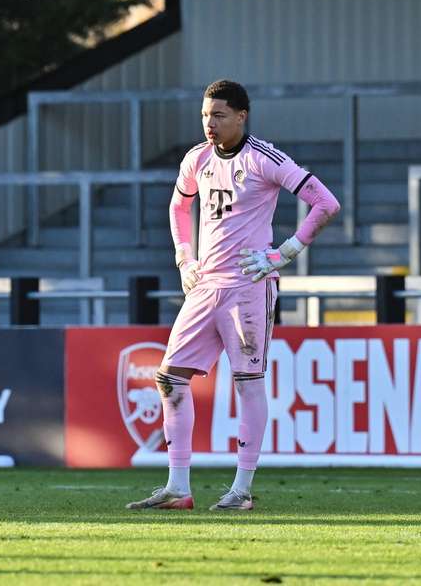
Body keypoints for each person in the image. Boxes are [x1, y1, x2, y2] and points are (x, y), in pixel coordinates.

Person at [126, 80, 340, 511]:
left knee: (247, 382)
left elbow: (326, 203)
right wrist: (184, 256)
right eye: (206, 115)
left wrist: (283, 254)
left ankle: (241, 489)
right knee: (169, 377)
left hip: (248, 286)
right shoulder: (197, 158)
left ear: (242, 115)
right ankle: (178, 487)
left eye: (219, 115)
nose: (210, 123)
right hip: (205, 285)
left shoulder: (265, 158)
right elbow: (178, 206)